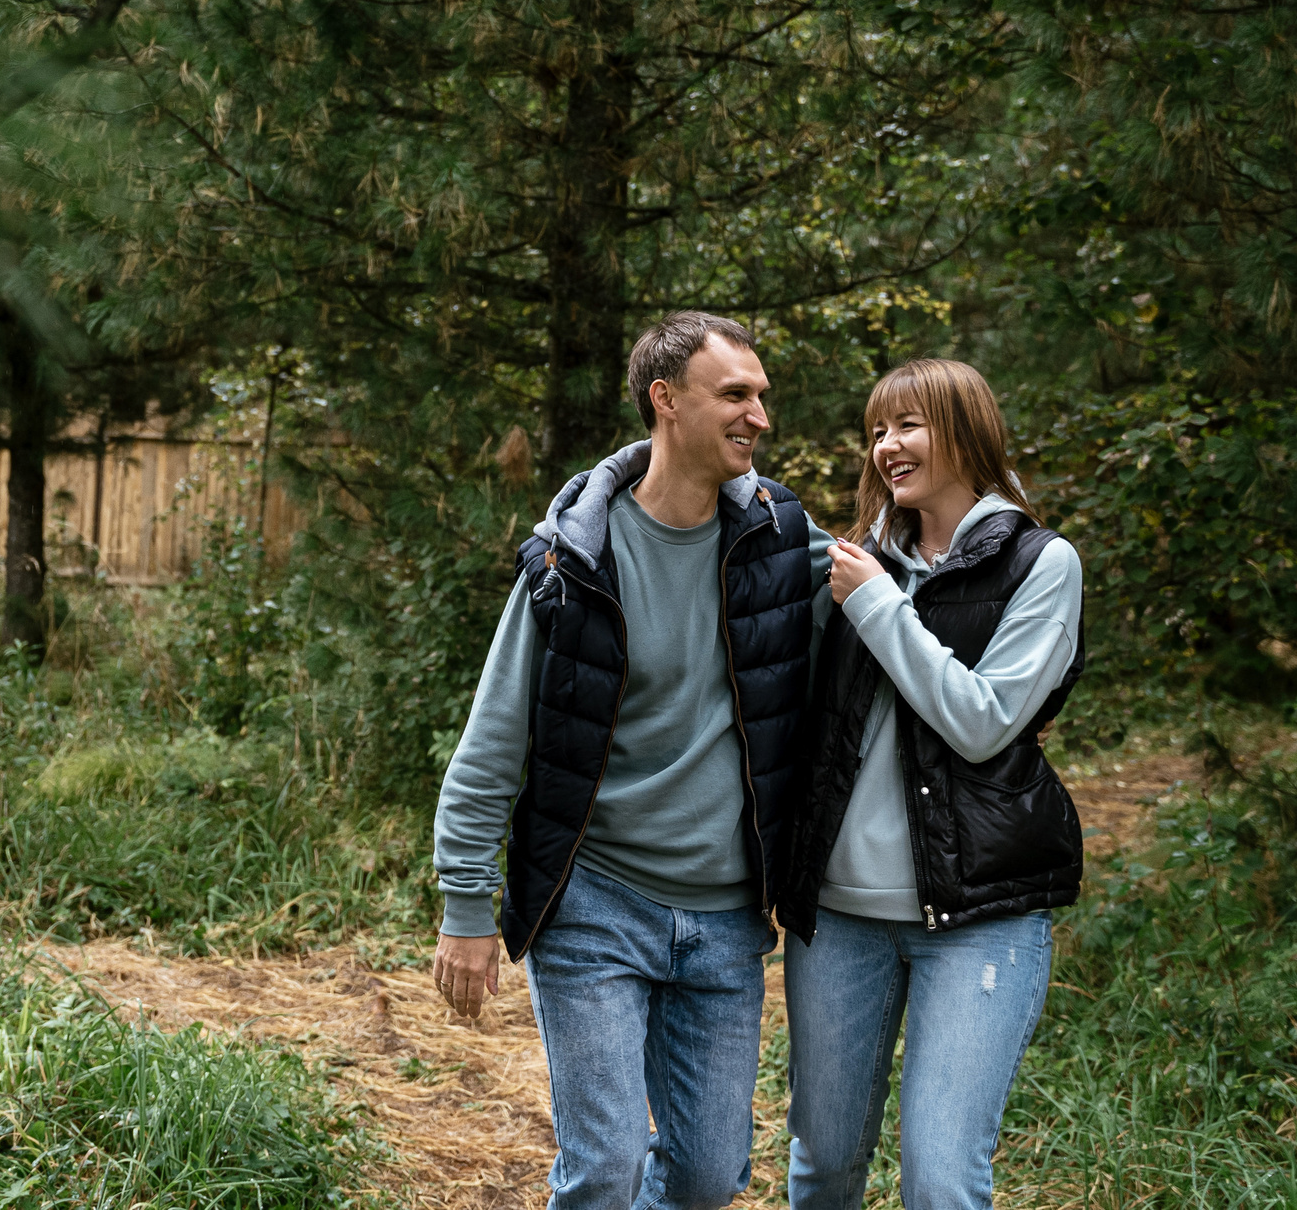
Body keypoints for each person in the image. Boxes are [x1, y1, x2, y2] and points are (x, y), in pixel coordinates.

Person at [432, 311, 836, 1210]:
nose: (759, 415)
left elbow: (888, 609)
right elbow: (494, 739)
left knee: (704, 1177)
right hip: (596, 904)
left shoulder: (780, 541)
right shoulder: (571, 561)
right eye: (736, 393)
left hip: (728, 916)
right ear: (666, 399)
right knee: (605, 1167)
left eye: (762, 396)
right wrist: (465, 904)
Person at [778, 357, 1085, 1210]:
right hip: (839, 916)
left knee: (943, 1180)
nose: (887, 446)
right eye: (877, 429)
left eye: (908, 424)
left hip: (980, 916)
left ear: (966, 429)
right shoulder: (857, 558)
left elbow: (985, 721)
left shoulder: (1040, 564)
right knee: (824, 1162)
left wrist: (878, 606)